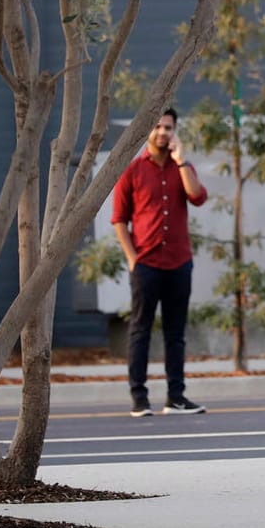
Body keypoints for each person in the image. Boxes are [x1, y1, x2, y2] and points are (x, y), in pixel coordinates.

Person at [111, 107, 209, 417]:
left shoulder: (183, 168)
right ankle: (139, 398)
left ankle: (176, 397)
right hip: (146, 264)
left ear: (174, 131)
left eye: (168, 127)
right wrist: (132, 259)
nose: (162, 132)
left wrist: (182, 161)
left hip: (179, 263)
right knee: (140, 330)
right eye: (156, 126)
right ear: (148, 132)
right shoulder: (133, 170)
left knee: (175, 333)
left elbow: (198, 196)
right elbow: (119, 220)